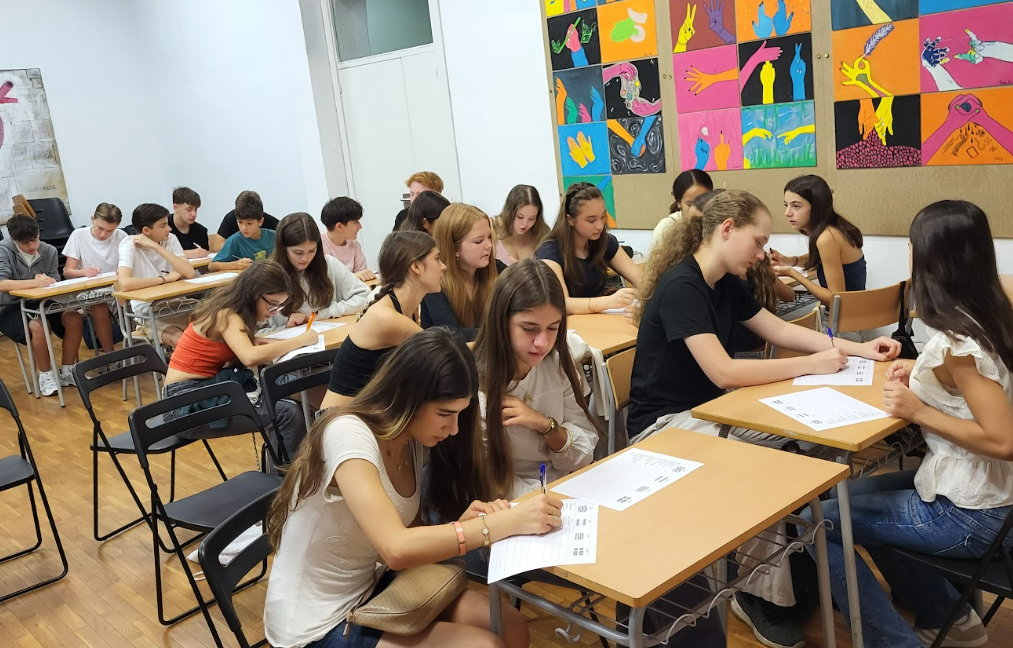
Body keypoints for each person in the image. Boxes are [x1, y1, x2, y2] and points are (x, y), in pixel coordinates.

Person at [627, 189, 900, 648]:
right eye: (757, 241)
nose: (761, 254)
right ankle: (759, 596)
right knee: (764, 470)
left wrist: (858, 349)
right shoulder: (682, 287)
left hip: (713, 412)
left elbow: (778, 330)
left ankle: (802, 568)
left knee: (807, 445)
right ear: (726, 230)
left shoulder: (724, 281)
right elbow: (725, 372)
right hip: (664, 428)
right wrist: (811, 365)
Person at [799, 200, 1013, 648]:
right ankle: (949, 617)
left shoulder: (960, 342)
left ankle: (895, 641)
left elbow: (1002, 439)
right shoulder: (991, 313)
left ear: (929, 259)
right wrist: (924, 372)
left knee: (816, 522)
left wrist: (918, 410)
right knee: (847, 499)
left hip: (971, 512)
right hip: (985, 495)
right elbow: (975, 390)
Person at [265, 328, 559, 648]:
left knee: (509, 624)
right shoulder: (347, 433)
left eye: (459, 414)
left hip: (370, 584)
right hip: (314, 625)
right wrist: (496, 525)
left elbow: (410, 536)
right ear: (407, 396)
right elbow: (397, 549)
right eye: (444, 414)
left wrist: (464, 525)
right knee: (484, 645)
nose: (453, 428)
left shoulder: (411, 441)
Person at [163, 260, 316, 459]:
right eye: (271, 304)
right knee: (287, 412)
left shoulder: (230, 309)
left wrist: (276, 341)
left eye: (279, 306)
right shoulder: (227, 315)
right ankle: (286, 476)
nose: (272, 312)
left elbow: (249, 346)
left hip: (202, 392)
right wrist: (300, 340)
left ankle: (281, 471)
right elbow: (249, 357)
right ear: (254, 293)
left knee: (285, 398)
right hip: (183, 406)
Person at [474, 259, 598, 499]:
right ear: (501, 322)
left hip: (563, 488)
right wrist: (545, 500)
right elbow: (490, 481)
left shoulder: (557, 363)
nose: (542, 343)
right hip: (517, 502)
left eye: (552, 328)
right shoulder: (477, 388)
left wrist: (544, 424)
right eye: (529, 328)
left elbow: (584, 454)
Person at [320, 231, 444, 410]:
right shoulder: (387, 318)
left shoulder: (405, 308)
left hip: (368, 411)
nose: (443, 267)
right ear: (416, 267)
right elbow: (443, 356)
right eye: (437, 259)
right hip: (342, 419)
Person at [0, 215, 85, 396]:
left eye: (35, 239)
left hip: (42, 301)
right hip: (10, 307)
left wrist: (50, 282)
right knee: (38, 325)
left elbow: (55, 280)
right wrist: (34, 282)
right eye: (25, 243)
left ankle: (68, 370)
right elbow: (2, 284)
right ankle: (46, 375)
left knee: (73, 317)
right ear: (14, 240)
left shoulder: (49, 250)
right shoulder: (3, 250)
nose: (32, 246)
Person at [535, 182, 641, 315]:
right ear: (570, 220)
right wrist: (609, 301)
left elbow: (642, 280)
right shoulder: (550, 251)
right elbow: (562, 304)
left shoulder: (605, 242)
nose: (599, 226)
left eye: (603, 217)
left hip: (595, 320)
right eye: (591, 220)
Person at [770, 174, 866, 311]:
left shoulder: (827, 238)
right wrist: (789, 260)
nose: (787, 213)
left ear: (816, 207)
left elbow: (836, 300)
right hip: (855, 313)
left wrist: (793, 274)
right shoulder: (834, 227)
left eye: (796, 206)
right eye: (786, 205)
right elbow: (822, 259)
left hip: (845, 320)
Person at [268, 212, 371, 329]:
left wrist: (325, 313)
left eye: (312, 251)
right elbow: (255, 330)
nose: (305, 258)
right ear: (283, 248)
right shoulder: (269, 275)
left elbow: (365, 296)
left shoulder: (329, 264)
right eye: (298, 252)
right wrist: (285, 326)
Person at [117, 203, 197, 348]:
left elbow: (189, 272)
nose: (169, 229)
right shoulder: (128, 245)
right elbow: (125, 283)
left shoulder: (170, 239)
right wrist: (165, 279)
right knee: (184, 342)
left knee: (219, 324)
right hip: (149, 310)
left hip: (179, 302)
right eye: (163, 225)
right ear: (146, 230)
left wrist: (156, 246)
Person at [421, 204, 497, 342]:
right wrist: (502, 332)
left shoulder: (497, 269)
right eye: (479, 241)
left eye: (489, 237)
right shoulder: (434, 280)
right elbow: (452, 334)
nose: (489, 245)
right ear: (454, 248)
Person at [62, 202, 128, 356]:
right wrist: (84, 272)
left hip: (116, 286)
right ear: (92, 219)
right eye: (100, 228)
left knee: (131, 302)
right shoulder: (78, 236)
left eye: (110, 230)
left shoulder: (121, 236)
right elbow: (68, 271)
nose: (103, 234)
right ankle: (110, 355)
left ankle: (134, 346)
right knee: (99, 304)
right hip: (89, 288)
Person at [649, 169, 713, 255]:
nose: (696, 210)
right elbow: (657, 261)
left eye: (703, 203)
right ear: (679, 202)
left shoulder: (717, 224)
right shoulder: (667, 227)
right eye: (690, 204)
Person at [210, 191, 277, 272]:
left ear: (260, 222)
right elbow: (212, 266)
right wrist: (236, 265)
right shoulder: (234, 240)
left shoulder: (274, 236)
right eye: (240, 222)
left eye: (249, 223)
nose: (244, 228)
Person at [319, 197, 375, 281]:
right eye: (355, 222)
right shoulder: (318, 245)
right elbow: (325, 280)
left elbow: (363, 275)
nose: (360, 226)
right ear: (339, 226)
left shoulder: (355, 245)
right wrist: (355, 276)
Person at [493, 185, 547, 266]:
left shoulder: (542, 235)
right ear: (509, 212)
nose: (525, 224)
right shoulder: (492, 231)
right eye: (520, 217)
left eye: (532, 218)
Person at [168, 186, 210, 259]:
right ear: (175, 207)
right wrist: (183, 254)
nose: (194, 214)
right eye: (189, 210)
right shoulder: (162, 227)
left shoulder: (201, 231)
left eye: (196, 209)